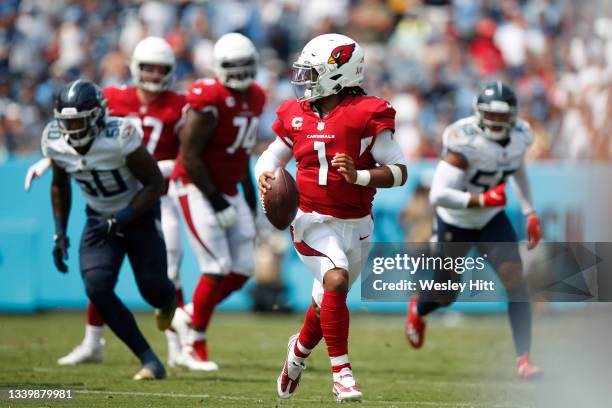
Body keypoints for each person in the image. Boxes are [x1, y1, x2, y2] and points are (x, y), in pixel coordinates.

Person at [255, 33, 408, 402]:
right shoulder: (296, 114)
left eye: (313, 73)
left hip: (357, 223)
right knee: (336, 280)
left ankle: (298, 353)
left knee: (326, 300)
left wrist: (358, 176)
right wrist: (265, 178)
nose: (304, 81)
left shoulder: (367, 113)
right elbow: (269, 160)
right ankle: (342, 374)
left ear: (340, 74)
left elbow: (400, 171)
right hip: (309, 219)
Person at [53, 36, 188, 368]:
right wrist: (52, 159)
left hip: (156, 192)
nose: (155, 76)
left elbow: (190, 151)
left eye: (161, 69)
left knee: (165, 274)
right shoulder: (111, 98)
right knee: (99, 279)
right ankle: (93, 341)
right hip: (108, 197)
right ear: (134, 68)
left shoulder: (180, 104)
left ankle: (177, 347)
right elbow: (74, 138)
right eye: (148, 68)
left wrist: (170, 166)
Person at [405, 81, 542, 380]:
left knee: (515, 279)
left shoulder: (521, 136)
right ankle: (418, 306)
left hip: (491, 218)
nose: (495, 121)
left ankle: (524, 360)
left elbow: (518, 170)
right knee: (447, 294)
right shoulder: (464, 140)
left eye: (501, 115)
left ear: (513, 116)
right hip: (455, 220)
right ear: (479, 114)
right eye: (489, 115)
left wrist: (530, 211)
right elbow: (438, 194)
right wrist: (480, 199)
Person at [169, 33, 264, 371]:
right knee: (216, 266)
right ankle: (196, 341)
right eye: (232, 65)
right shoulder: (208, 97)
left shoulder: (256, 96)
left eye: (244, 65)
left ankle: (189, 314)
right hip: (195, 186)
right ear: (218, 67)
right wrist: (216, 201)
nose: (239, 72)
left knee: (244, 268)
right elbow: (190, 157)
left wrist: (249, 200)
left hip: (230, 187)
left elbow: (242, 156)